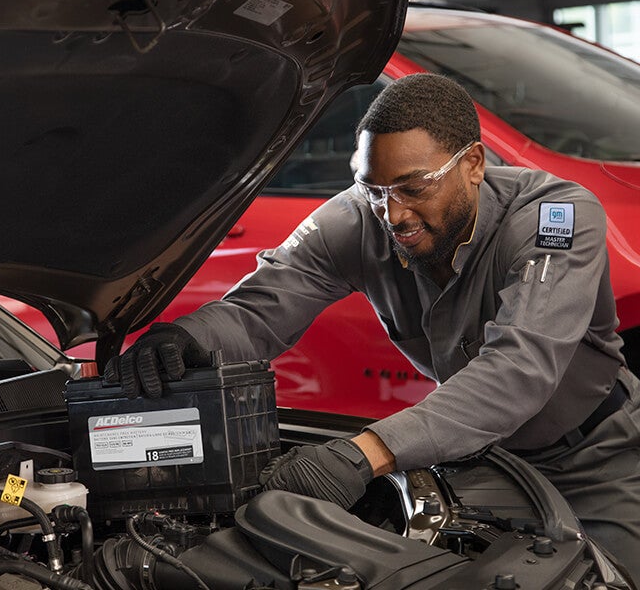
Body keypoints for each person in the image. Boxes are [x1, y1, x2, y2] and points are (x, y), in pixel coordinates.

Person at [106, 73, 640, 581]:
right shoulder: (360, 218)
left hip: (596, 459)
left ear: (473, 163)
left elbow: (517, 370)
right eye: (375, 190)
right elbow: (259, 310)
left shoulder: (556, 217)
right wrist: (186, 337)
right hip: (480, 460)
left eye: (414, 188)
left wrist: (365, 452)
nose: (395, 215)